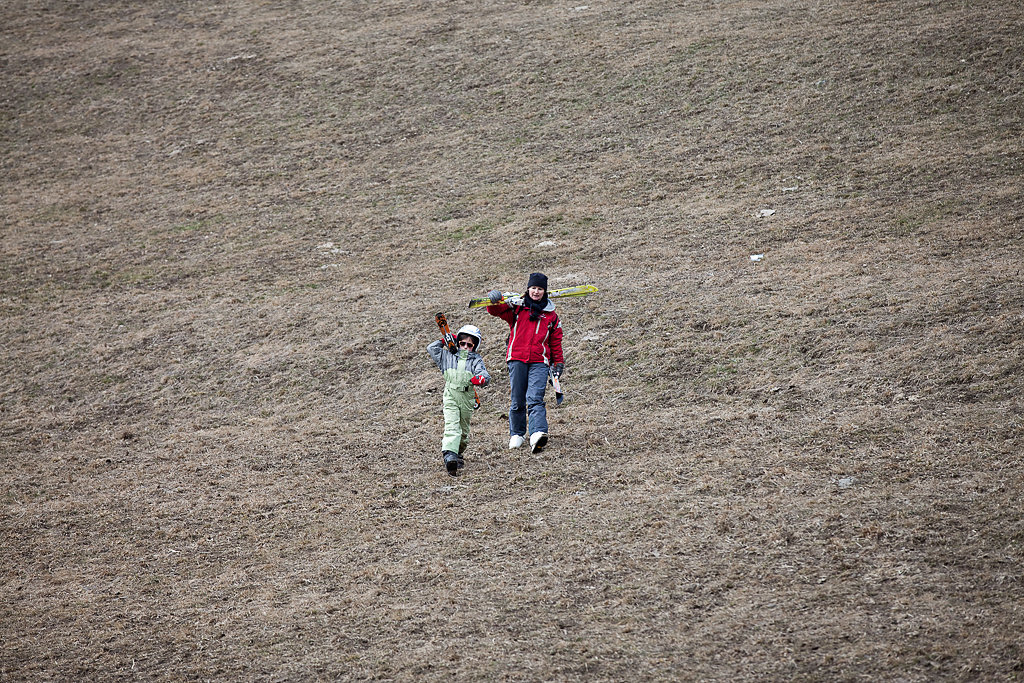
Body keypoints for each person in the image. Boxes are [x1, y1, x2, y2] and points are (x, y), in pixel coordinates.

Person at [485, 272, 564, 453]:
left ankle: (537, 434)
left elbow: (555, 342)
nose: (536, 292)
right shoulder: (517, 309)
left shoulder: (551, 316)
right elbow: (496, 311)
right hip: (517, 359)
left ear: (545, 291)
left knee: (535, 398)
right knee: (517, 399)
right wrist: (494, 299)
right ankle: (517, 434)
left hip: (540, 361)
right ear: (528, 289)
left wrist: (558, 362)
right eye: (533, 288)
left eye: (540, 289)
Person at [426, 325, 490, 476]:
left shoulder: (475, 360)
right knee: (452, 426)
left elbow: (485, 375)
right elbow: (431, 348)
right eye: (462, 343)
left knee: (463, 431)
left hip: (467, 397)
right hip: (451, 395)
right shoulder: (447, 356)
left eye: (469, 345)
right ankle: (449, 455)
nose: (465, 347)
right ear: (457, 342)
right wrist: (445, 340)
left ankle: (458, 453)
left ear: (475, 346)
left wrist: (480, 379)